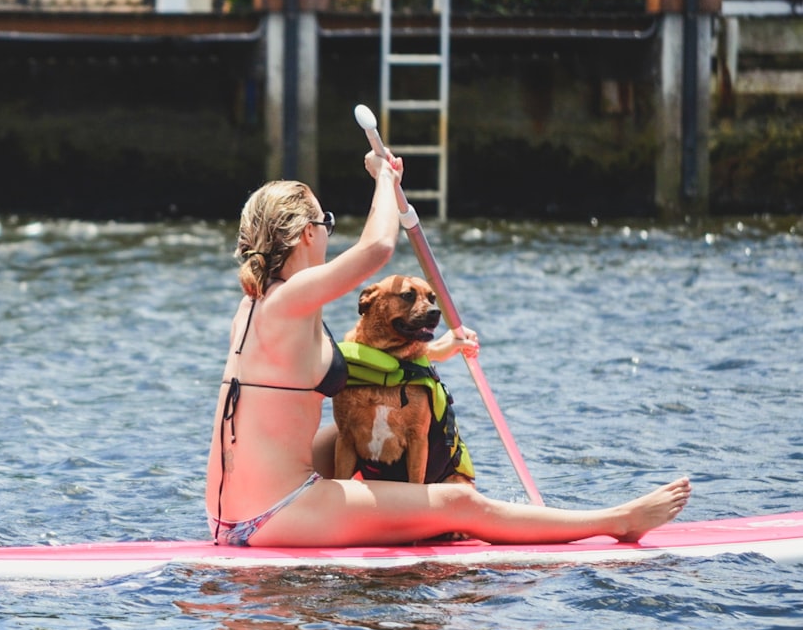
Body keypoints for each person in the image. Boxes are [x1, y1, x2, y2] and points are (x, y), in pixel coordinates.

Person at [205, 150, 691, 547]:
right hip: (276, 516)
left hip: (225, 514)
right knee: (460, 504)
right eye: (327, 221)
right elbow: (377, 250)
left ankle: (404, 509)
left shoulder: (254, 307)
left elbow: (355, 364)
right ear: (310, 232)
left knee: (346, 427)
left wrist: (435, 353)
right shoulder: (292, 297)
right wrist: (383, 178)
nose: (329, 232)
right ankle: (616, 521)